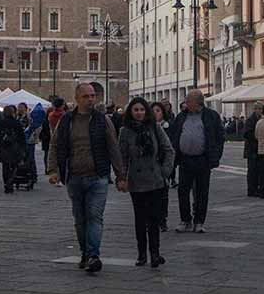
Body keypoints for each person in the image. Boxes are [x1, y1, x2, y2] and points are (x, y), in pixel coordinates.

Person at [49, 83, 126, 274]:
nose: (91, 99)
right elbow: (55, 144)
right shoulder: (67, 120)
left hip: (97, 176)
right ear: (77, 99)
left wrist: (120, 175)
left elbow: (113, 147)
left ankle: (93, 255)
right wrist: (53, 170)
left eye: (93, 96)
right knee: (80, 218)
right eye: (86, 96)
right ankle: (85, 252)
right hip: (74, 176)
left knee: (94, 216)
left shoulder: (102, 120)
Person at [118, 97, 175, 268]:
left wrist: (165, 171)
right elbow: (122, 157)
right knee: (140, 219)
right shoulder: (125, 132)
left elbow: (169, 150)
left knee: (154, 218)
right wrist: (122, 178)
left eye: (142, 110)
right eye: (136, 110)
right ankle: (142, 253)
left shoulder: (155, 128)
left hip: (155, 179)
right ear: (131, 112)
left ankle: (155, 253)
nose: (139, 113)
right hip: (136, 181)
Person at [167, 90, 224, 234]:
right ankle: (185, 220)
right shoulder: (182, 116)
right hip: (185, 159)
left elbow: (219, 137)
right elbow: (175, 134)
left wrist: (215, 156)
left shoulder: (211, 116)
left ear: (198, 102)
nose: (185, 103)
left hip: (203, 159)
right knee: (183, 191)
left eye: (188, 100)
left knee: (202, 192)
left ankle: (199, 221)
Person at [0, 105, 25, 194]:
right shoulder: (16, 122)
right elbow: (21, 136)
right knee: (14, 165)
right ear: (12, 112)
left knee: (5, 166)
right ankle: (10, 181)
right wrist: (23, 147)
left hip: (4, 147)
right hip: (14, 148)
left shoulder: (1, 122)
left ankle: (6, 183)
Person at [151, 102, 171, 230]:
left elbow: (170, 148)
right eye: (153, 111)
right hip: (149, 167)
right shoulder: (147, 127)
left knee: (163, 194)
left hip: (162, 165)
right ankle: (153, 218)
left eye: (158, 110)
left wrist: (168, 168)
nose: (155, 113)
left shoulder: (167, 126)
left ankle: (162, 219)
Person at [24, 102, 45, 187]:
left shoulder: (31, 120)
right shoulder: (37, 121)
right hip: (31, 140)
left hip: (29, 140)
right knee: (31, 158)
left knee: (30, 158)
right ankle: (32, 175)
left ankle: (31, 175)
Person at [242, 107, 262, 197]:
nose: (261, 111)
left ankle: (256, 188)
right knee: (252, 170)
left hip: (257, 148)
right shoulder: (250, 120)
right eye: (260, 109)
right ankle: (251, 189)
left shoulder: (259, 119)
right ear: (255, 109)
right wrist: (257, 137)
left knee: (257, 170)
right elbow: (247, 134)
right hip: (251, 149)